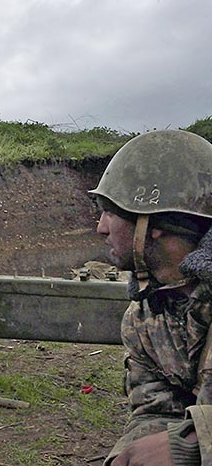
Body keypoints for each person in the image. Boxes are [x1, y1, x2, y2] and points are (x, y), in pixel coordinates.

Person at [90, 129, 212, 465]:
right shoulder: (144, 317)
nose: (101, 227)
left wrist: (192, 443)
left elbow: (180, 443)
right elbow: (155, 412)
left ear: (153, 223)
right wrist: (128, 457)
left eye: (109, 212)